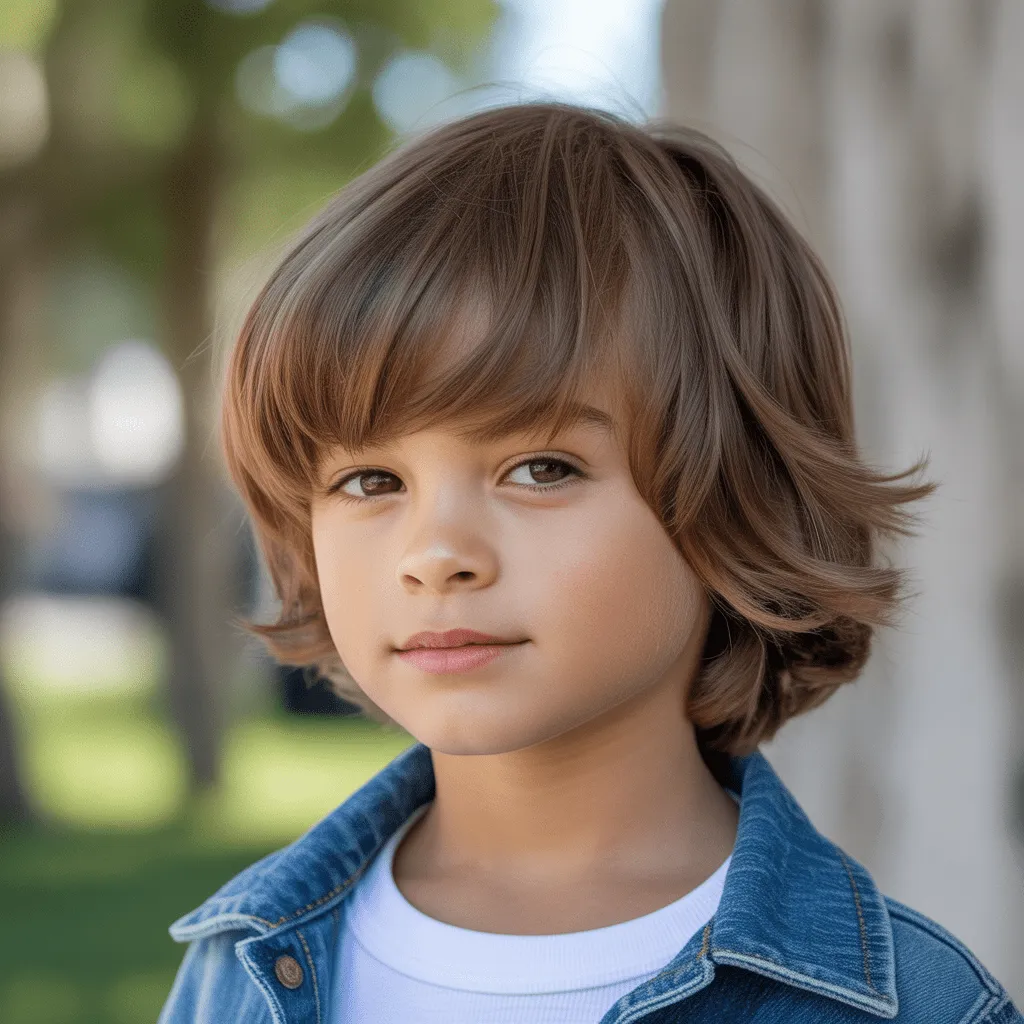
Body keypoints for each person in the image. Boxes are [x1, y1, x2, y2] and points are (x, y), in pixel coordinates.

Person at [156, 102, 1023, 1023]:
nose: (436, 555)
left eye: (540, 469)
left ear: (737, 495)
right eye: (371, 481)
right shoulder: (238, 968)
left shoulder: (918, 1007)